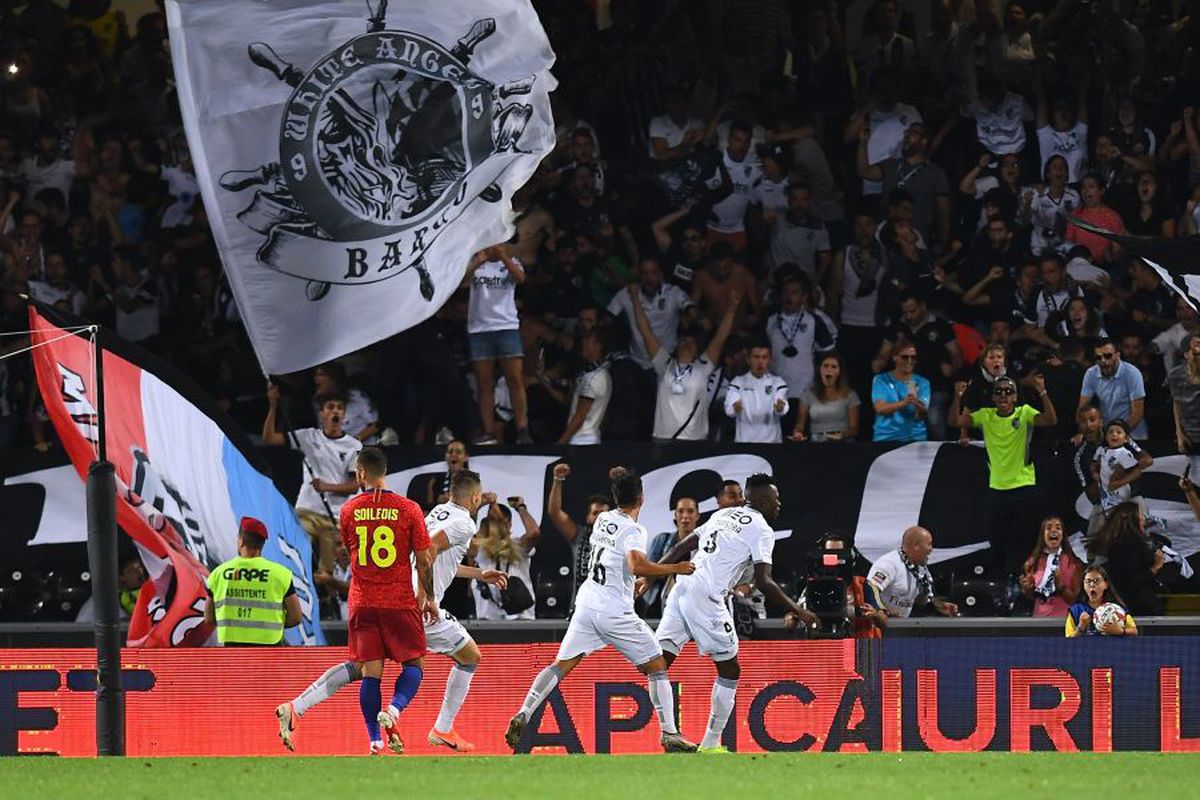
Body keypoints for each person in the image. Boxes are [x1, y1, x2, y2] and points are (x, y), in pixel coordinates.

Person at [505, 471, 698, 753]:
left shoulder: (604, 519)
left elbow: (618, 562)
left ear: (615, 499)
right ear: (642, 499)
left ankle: (524, 711)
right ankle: (670, 734)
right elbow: (635, 564)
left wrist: (634, 581)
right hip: (613, 610)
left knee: (562, 664)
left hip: (587, 602)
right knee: (657, 666)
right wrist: (675, 568)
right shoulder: (635, 530)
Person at [652, 474, 818, 752]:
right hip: (706, 595)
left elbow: (684, 546)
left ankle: (669, 731)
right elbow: (764, 582)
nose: (779, 504)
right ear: (763, 500)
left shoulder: (724, 513)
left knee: (658, 663)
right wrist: (799, 610)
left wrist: (653, 574)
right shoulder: (762, 530)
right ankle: (711, 743)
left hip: (681, 588)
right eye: (776, 499)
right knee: (730, 668)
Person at [339, 447, 435, 755]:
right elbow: (424, 560)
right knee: (415, 664)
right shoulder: (409, 509)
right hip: (399, 600)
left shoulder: (348, 510)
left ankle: (374, 740)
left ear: (362, 474)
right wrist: (428, 597)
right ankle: (393, 710)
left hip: (362, 602)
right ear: (384, 472)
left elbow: (350, 549)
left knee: (371, 671)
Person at [421, 470, 509, 752]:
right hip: (421, 605)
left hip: (400, 598)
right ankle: (442, 728)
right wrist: (428, 596)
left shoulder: (437, 512)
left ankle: (298, 706)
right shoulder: (465, 524)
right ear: (475, 497)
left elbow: (441, 561)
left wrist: (480, 573)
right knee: (470, 657)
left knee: (369, 666)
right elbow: (430, 550)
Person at [951, 374, 1057, 579]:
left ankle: (1023, 585)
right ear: (993, 397)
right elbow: (955, 420)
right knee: (997, 540)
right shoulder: (985, 415)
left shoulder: (1024, 413)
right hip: (997, 488)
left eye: (1008, 392)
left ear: (1015, 397)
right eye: (998, 392)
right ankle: (1000, 584)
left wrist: (1042, 392)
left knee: (1025, 539)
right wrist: (958, 397)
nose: (1003, 396)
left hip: (1024, 485)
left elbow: (1050, 420)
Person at [262, 384, 361, 574]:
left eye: (340, 408)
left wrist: (327, 486)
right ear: (322, 413)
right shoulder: (308, 436)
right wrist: (273, 407)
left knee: (329, 574)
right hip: (306, 510)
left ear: (344, 414)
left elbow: (354, 485)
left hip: (334, 517)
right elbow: (269, 438)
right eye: (331, 407)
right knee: (294, 559)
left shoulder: (353, 445)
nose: (336, 411)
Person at [628, 283, 739, 442]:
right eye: (683, 340)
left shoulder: (703, 367)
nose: (686, 343)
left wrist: (732, 309)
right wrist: (634, 299)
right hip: (663, 440)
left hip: (694, 442)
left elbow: (719, 339)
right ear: (677, 345)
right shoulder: (664, 365)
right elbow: (646, 332)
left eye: (691, 342)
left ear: (697, 350)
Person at [466, 244, 530, 445]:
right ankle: (488, 430)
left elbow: (521, 279)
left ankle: (522, 428)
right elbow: (460, 283)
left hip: (506, 327)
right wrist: (479, 261)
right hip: (479, 329)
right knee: (484, 384)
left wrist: (504, 258)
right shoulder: (476, 263)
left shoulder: (512, 263)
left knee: (515, 380)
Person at [204, 517, 301, 646]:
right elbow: (295, 617)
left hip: (233, 650)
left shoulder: (219, 573)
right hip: (270, 648)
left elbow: (209, 618)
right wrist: (272, 626)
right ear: (262, 544)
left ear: (241, 541)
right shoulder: (281, 574)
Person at [767, 273, 837, 424]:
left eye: (794, 292)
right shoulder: (770, 321)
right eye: (785, 292)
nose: (788, 296)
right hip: (776, 388)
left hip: (804, 388)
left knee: (800, 435)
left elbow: (828, 353)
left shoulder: (813, 321)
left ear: (804, 297)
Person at [606, 257, 695, 369]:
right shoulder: (627, 293)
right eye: (644, 273)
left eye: (653, 273)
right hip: (638, 363)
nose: (649, 278)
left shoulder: (673, 293)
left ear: (660, 274)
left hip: (667, 361)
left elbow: (690, 308)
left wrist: (691, 315)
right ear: (639, 275)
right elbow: (607, 318)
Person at [546, 461, 612, 598]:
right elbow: (554, 512)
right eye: (595, 513)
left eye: (603, 513)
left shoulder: (619, 537)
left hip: (610, 606)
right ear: (588, 517)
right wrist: (558, 480)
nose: (600, 517)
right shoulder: (579, 535)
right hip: (582, 606)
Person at [1088, 502, 1165, 616]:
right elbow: (1131, 582)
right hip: (1137, 609)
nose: (1144, 518)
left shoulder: (1124, 545)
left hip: (1135, 606)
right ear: (1132, 519)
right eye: (1141, 515)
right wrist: (1155, 567)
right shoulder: (1127, 547)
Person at [865, 526, 959, 619]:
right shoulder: (889, 563)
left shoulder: (921, 569)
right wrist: (880, 611)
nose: (931, 549)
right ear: (916, 546)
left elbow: (923, 599)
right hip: (879, 626)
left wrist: (940, 606)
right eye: (929, 544)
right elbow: (871, 587)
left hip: (901, 625)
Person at [471, 497, 540, 621]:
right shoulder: (478, 548)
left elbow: (534, 533)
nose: (495, 527)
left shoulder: (518, 546)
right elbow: (463, 532)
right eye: (491, 521)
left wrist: (521, 507)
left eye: (499, 522)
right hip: (488, 620)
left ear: (508, 524)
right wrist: (480, 505)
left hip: (522, 618)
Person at [1079, 338, 1147, 439]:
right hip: (1106, 434)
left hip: (1133, 433)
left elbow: (1137, 413)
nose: (1103, 361)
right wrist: (1084, 432)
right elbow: (1083, 408)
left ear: (1118, 355)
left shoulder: (1132, 373)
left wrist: (1118, 434)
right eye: (1098, 357)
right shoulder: (1091, 374)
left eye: (1108, 356)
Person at [1018, 516, 1084, 618]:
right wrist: (1027, 589)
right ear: (1042, 534)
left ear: (1063, 535)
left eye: (1058, 528)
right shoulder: (1032, 562)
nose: (1053, 531)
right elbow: (1031, 597)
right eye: (1048, 528)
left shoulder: (1074, 564)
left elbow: (1075, 600)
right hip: (1039, 620)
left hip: (1065, 621)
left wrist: (1061, 587)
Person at [724, 341, 789, 443]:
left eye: (764, 357)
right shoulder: (737, 382)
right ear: (748, 360)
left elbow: (783, 407)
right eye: (756, 357)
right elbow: (729, 411)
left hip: (772, 444)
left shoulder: (778, 383)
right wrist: (735, 407)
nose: (760, 362)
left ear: (770, 360)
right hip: (744, 444)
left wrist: (780, 408)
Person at [1091, 419, 1153, 524]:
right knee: (1104, 520)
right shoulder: (1101, 450)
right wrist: (1095, 473)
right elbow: (1094, 464)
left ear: (1126, 439)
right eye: (1110, 432)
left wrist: (1119, 481)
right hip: (1106, 496)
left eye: (1118, 432)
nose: (1114, 434)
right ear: (1105, 436)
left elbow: (1138, 470)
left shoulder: (1124, 453)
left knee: (1127, 518)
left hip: (1123, 495)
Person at [646, 495, 700, 611]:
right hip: (658, 605)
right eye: (680, 511)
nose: (685, 516)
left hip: (696, 606)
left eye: (690, 511)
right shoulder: (661, 540)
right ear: (675, 515)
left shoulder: (706, 545)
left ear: (697, 516)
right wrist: (677, 568)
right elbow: (647, 572)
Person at [792, 352, 860, 442]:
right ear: (819, 370)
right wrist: (798, 433)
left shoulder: (850, 395)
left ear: (839, 372)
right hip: (817, 443)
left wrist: (841, 435)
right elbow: (800, 425)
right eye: (825, 366)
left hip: (843, 443)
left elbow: (854, 428)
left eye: (834, 367)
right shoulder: (808, 394)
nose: (829, 370)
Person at [871, 342, 930, 442]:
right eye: (905, 357)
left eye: (913, 357)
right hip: (885, 437)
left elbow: (920, 416)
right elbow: (880, 408)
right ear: (895, 357)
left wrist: (917, 405)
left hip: (914, 437)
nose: (910, 361)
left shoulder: (923, 382)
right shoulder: (881, 380)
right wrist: (905, 402)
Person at [312, 361, 380, 444]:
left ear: (333, 379)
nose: (316, 378)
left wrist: (354, 442)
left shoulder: (357, 397)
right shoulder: (317, 400)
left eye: (321, 375)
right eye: (316, 374)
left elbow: (376, 425)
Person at [1065, 564, 1139, 637]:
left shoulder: (1117, 609)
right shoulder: (1076, 610)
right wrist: (1081, 628)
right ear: (1083, 584)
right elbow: (1068, 641)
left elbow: (1134, 631)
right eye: (1088, 581)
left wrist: (1120, 631)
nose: (1092, 584)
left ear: (1106, 584)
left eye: (1097, 580)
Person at [1169, 334, 1200, 476]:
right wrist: (1179, 435)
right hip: (1191, 438)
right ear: (1186, 354)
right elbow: (1177, 403)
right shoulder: (1175, 375)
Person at [425, 439, 469, 509]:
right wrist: (438, 502)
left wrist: (452, 502)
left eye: (458, 452)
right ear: (445, 456)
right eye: (450, 452)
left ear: (466, 457)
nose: (453, 455)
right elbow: (428, 509)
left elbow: (473, 509)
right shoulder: (435, 480)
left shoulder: (472, 480)